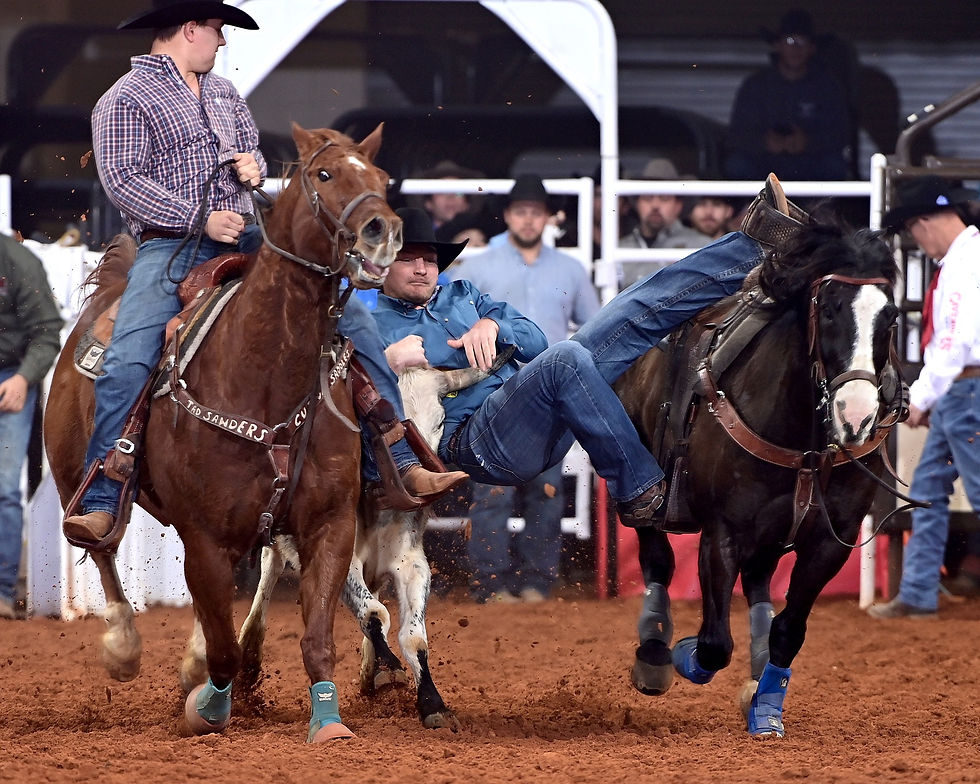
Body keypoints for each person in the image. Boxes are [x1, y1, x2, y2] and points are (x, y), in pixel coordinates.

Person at [64, 0, 460, 547]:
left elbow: (247, 153)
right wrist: (198, 217)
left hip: (252, 234)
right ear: (189, 29)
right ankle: (104, 496)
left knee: (353, 323)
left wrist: (252, 165)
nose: (222, 42)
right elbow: (122, 180)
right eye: (217, 30)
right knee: (129, 355)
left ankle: (394, 456)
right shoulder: (123, 100)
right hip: (172, 246)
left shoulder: (225, 95)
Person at [373, 179, 783, 563]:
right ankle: (639, 490)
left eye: (429, 259)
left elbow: (534, 342)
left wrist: (494, 325)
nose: (423, 268)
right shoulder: (371, 325)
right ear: (384, 265)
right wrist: (388, 359)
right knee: (569, 356)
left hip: (528, 411)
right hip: (474, 441)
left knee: (629, 310)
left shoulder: (463, 294)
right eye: (409, 259)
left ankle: (756, 248)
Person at [449, 176, 601, 602]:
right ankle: (491, 581)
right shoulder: (479, 266)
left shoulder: (570, 269)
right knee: (491, 490)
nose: (529, 219)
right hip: (493, 393)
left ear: (547, 217)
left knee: (546, 490)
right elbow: (459, 322)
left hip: (548, 396)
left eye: (536, 211)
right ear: (509, 216)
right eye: (521, 211)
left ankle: (536, 580)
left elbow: (589, 325)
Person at [867, 176, 980, 619]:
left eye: (912, 229)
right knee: (930, 485)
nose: (916, 239)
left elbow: (955, 339)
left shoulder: (964, 262)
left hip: (965, 390)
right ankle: (916, 591)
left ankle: (917, 592)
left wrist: (924, 397)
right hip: (962, 390)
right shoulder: (966, 257)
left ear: (924, 223)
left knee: (943, 487)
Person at [0, 235, 63, 619]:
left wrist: (24, 379)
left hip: (10, 376)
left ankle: (2, 591)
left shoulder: (18, 262)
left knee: (5, 487)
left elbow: (46, 331)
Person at [724, 9, 850, 182]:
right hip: (764, 163)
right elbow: (736, 135)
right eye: (790, 40)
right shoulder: (756, 85)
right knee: (736, 164)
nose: (795, 48)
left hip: (810, 163)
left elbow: (840, 135)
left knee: (835, 165)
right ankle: (750, 209)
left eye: (802, 41)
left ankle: (821, 210)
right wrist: (765, 142)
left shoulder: (827, 86)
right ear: (777, 45)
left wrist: (807, 142)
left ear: (812, 48)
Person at [619, 158, 710, 287]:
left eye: (664, 198)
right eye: (648, 197)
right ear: (637, 203)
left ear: (678, 205)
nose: (655, 205)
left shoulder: (701, 246)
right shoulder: (620, 247)